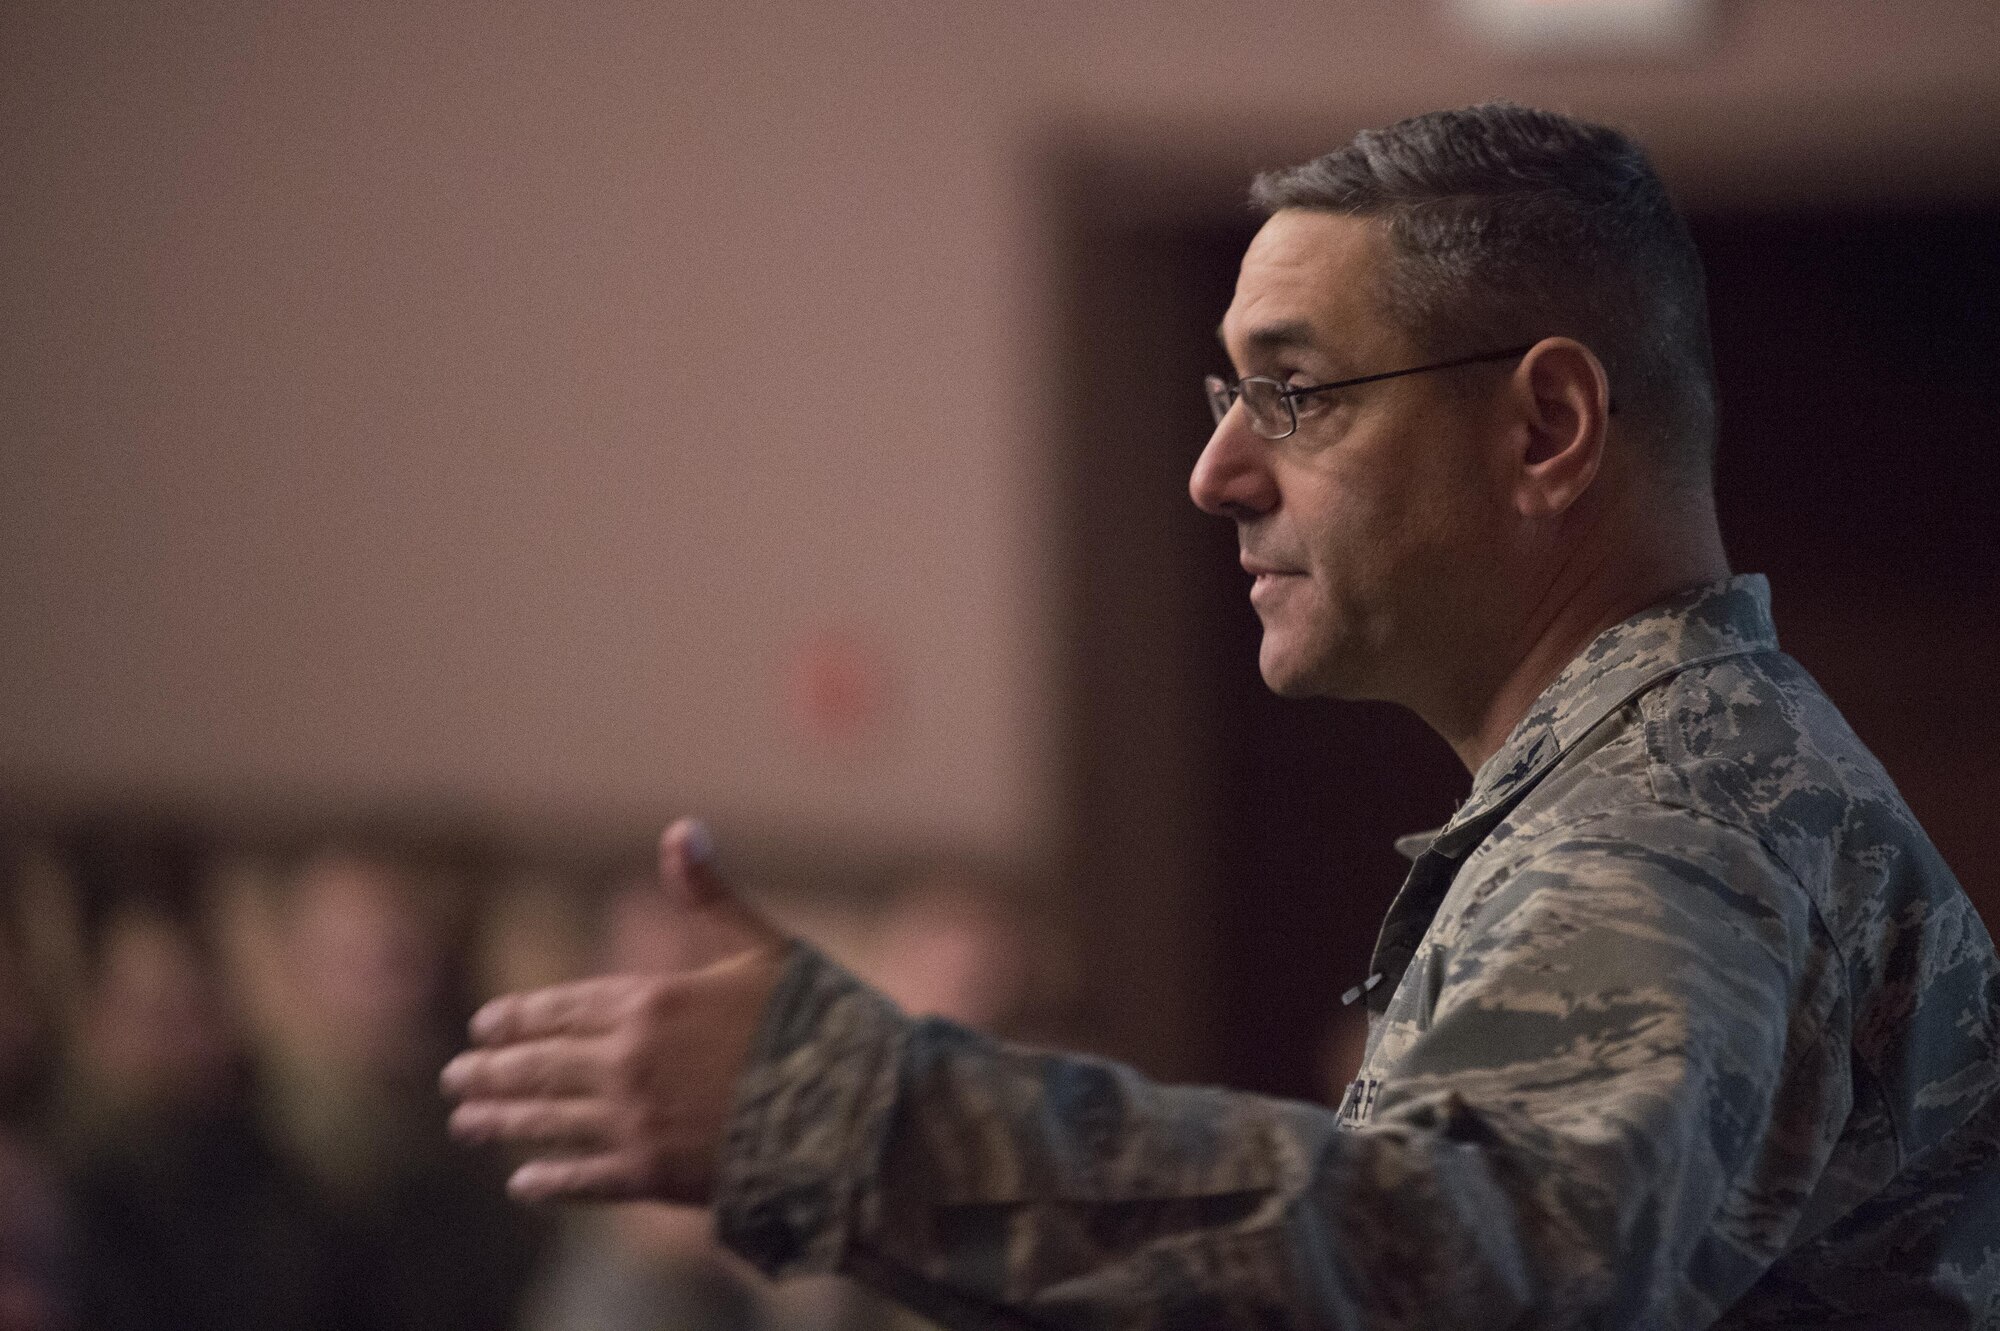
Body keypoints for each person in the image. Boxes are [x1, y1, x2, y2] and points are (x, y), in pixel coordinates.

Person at [442, 104, 2000, 1328]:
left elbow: (1475, 1273)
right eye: (1224, 398)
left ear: (1547, 425)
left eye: (1299, 391)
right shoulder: (1686, 777)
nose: (1219, 473)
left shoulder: (1670, 827)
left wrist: (852, 1116)